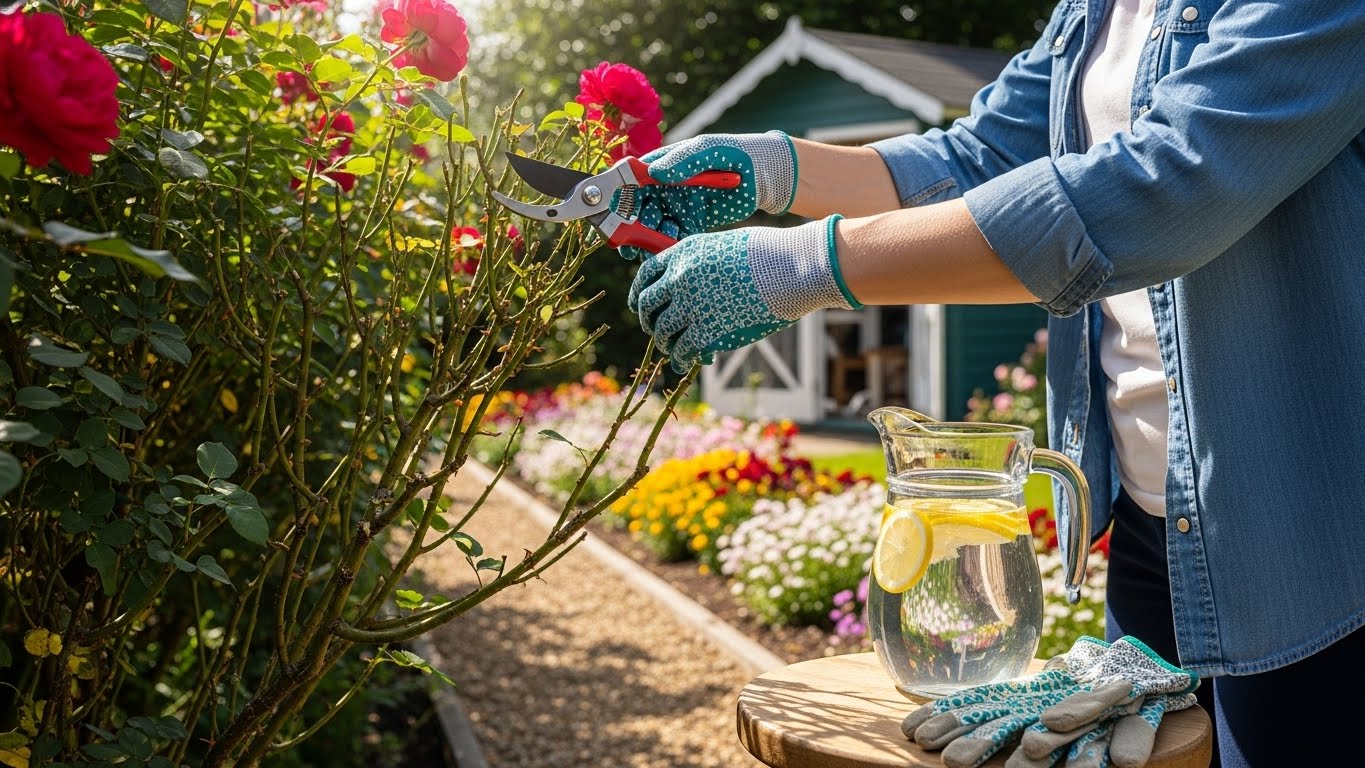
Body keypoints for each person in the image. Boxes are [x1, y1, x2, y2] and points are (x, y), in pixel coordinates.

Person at [622, 2, 1365, 765]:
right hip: (1153, 521)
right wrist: (773, 169)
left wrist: (806, 265)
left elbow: (1168, 185)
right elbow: (981, 157)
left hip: (1313, 536)